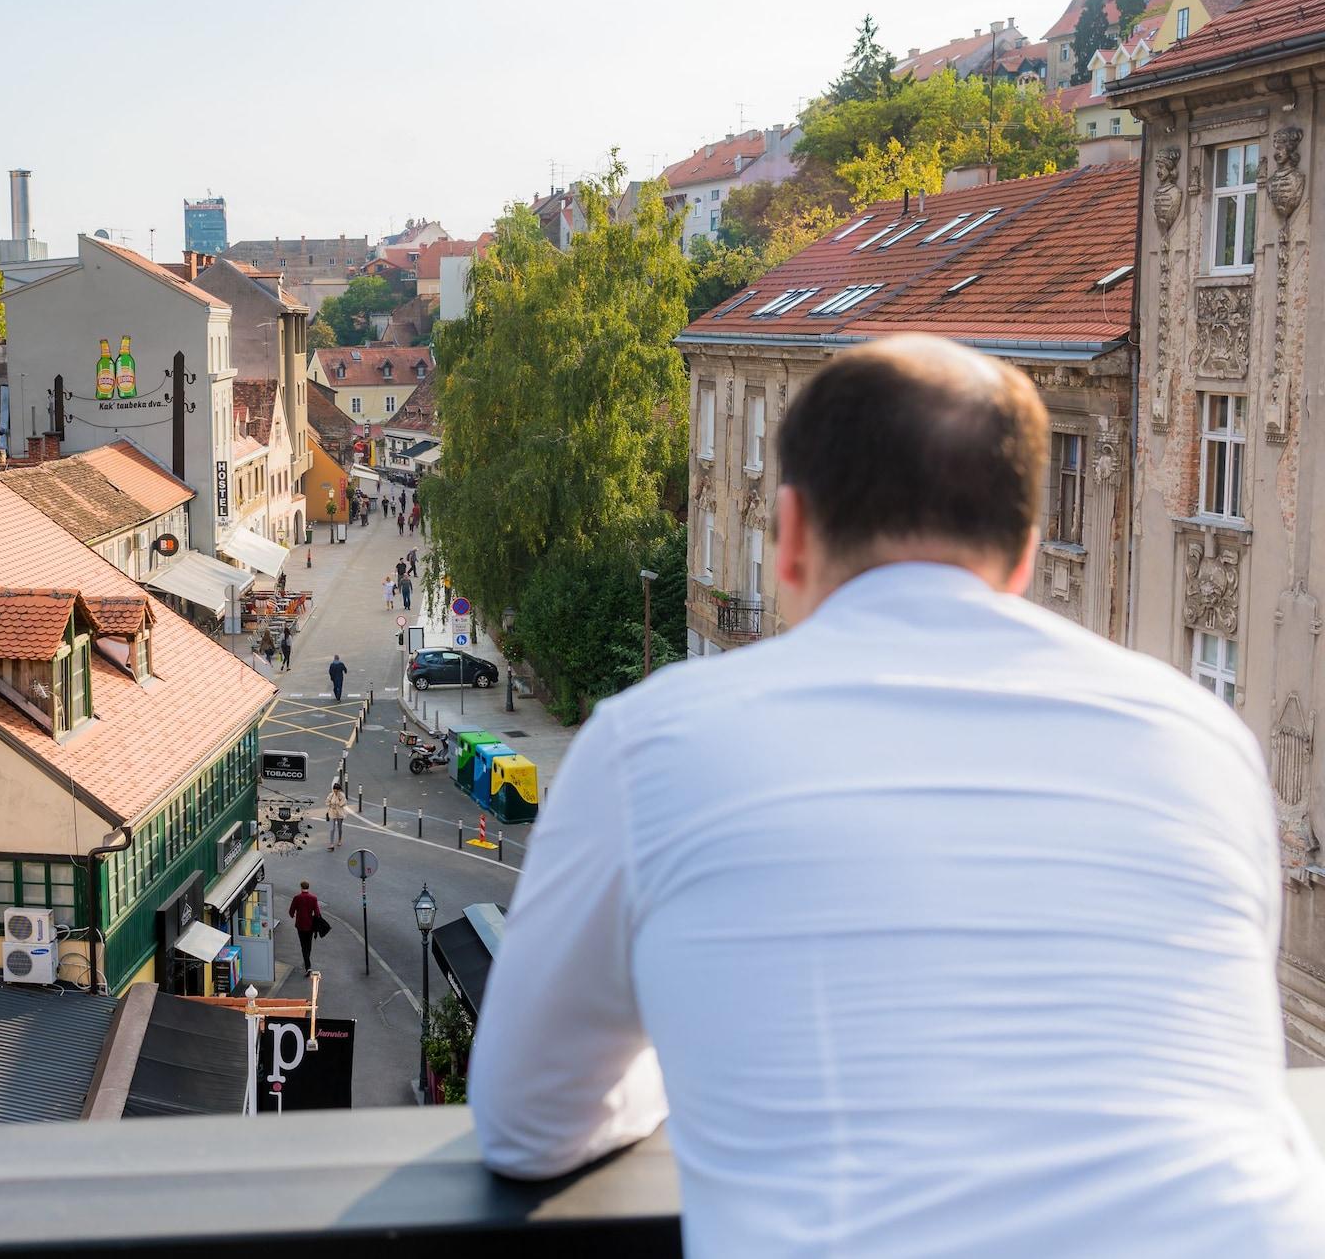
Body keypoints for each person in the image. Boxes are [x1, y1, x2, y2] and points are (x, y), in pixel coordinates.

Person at [470, 335, 1325, 1254]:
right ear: (1026, 553)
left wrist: (698, 1068)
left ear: (789, 535)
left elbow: (528, 1123)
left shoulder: (651, 745)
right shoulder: (1203, 741)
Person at [289, 879, 322, 973]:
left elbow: (291, 910)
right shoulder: (313, 898)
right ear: (308, 888)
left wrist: (293, 915)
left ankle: (308, 966)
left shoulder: (297, 898)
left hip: (300, 924)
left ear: (301, 887)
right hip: (310, 925)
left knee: (303, 945)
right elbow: (317, 913)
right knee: (308, 944)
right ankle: (307, 959)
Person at [325, 782, 348, 850]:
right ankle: (331, 843)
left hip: (340, 813)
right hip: (332, 813)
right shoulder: (331, 795)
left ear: (339, 790)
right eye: (334, 790)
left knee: (339, 828)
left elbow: (344, 803)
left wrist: (338, 804)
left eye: (337, 790)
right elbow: (327, 801)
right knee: (332, 829)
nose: (335, 791)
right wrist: (330, 805)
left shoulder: (342, 795)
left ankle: (340, 840)